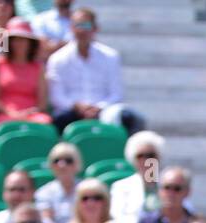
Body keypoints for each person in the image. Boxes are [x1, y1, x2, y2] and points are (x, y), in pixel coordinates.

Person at [45, 6, 143, 134]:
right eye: (77, 25)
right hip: (72, 112)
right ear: (71, 27)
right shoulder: (57, 58)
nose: (81, 30)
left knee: (128, 118)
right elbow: (57, 97)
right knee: (59, 119)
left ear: (95, 28)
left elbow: (116, 93)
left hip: (104, 111)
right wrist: (77, 106)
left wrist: (98, 107)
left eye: (85, 25)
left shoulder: (110, 56)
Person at [0, 17, 50, 126]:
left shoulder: (39, 68)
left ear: (30, 43)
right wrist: (10, 112)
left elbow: (42, 102)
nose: (19, 43)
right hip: (5, 115)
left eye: (23, 39)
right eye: (15, 39)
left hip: (32, 115)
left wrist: (29, 112)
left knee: (44, 123)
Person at [110, 130, 165, 223]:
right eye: (140, 156)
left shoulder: (171, 185)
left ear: (159, 157)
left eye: (150, 155)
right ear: (133, 160)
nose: (146, 160)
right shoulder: (120, 187)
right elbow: (117, 218)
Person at [34, 141, 81, 223]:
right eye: (56, 161)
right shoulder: (44, 193)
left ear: (77, 164)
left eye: (68, 160)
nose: (62, 165)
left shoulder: (86, 189)